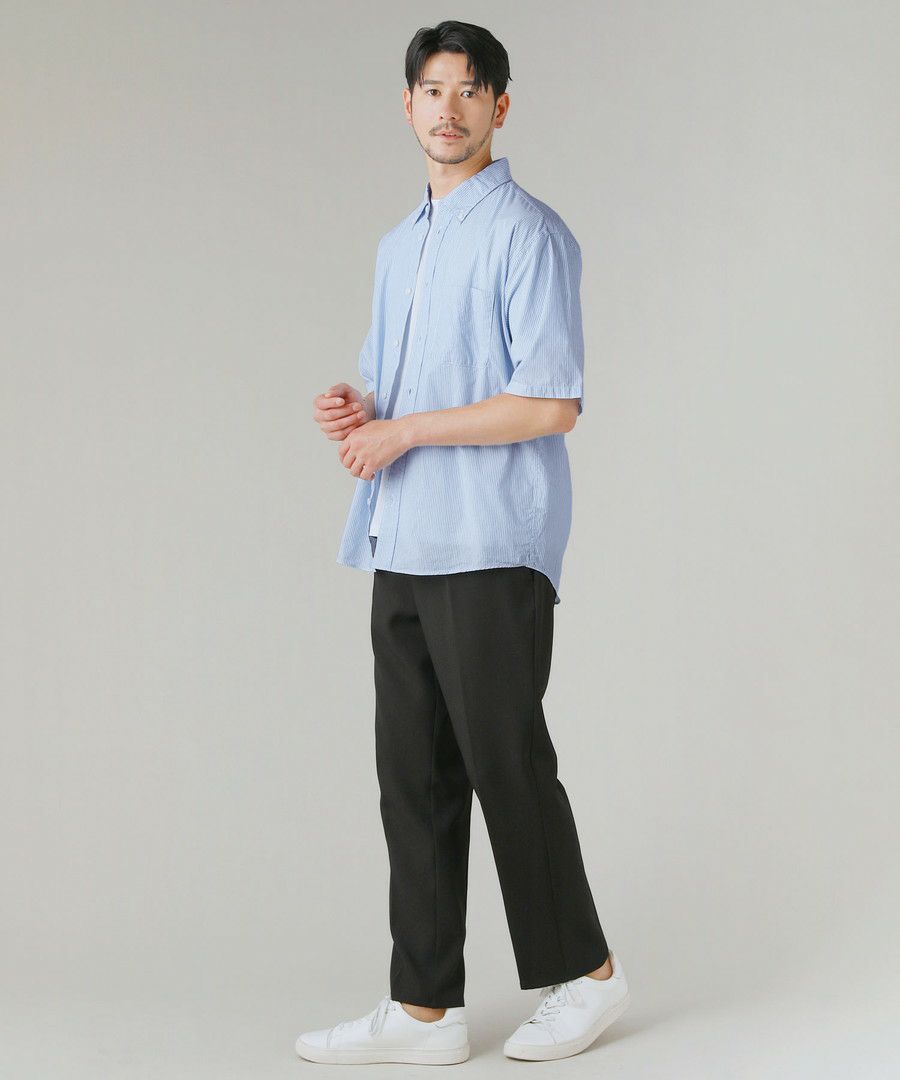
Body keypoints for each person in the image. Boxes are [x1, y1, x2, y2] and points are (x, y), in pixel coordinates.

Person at [299, 20, 630, 1065]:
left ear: (500, 107)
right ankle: (424, 1008)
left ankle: (590, 977)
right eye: (433, 89)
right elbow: (400, 389)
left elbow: (551, 402)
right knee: (415, 777)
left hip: (489, 538)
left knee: (504, 762)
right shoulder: (400, 244)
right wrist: (363, 409)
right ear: (408, 106)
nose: (449, 108)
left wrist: (404, 433)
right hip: (402, 534)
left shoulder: (529, 234)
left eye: (470, 90)